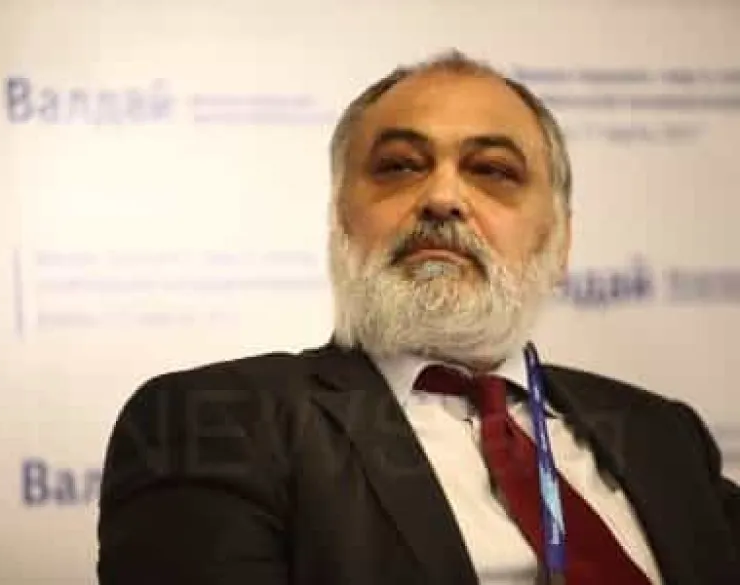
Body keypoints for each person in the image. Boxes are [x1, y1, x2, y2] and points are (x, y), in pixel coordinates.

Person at [96, 51, 740, 585]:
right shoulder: (214, 420)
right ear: (339, 221)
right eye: (400, 166)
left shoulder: (663, 433)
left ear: (561, 240)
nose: (442, 197)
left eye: (493, 171)